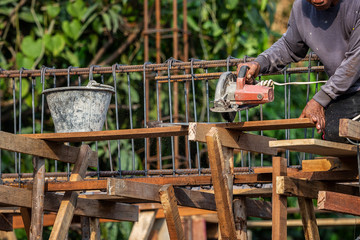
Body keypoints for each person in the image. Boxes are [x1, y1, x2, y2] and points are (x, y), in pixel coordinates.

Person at [237, 0, 360, 142]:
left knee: (338, 131)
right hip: (346, 93)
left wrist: (320, 99)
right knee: (334, 131)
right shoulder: (301, 8)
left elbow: (356, 60)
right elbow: (289, 46)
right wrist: (259, 63)